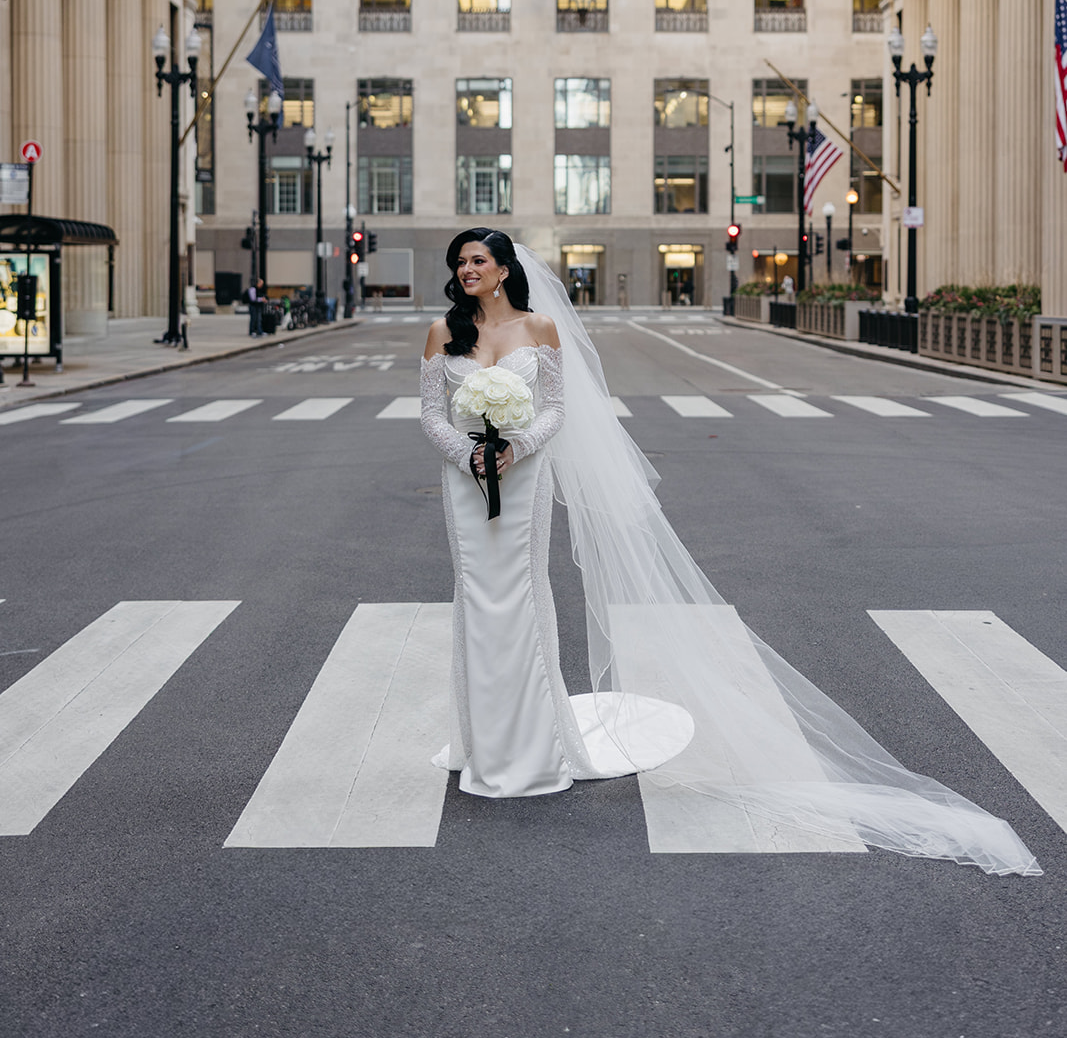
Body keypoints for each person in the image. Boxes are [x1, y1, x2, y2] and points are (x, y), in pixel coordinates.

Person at [421, 229, 1040, 875]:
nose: (466, 269)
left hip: (522, 482)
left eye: (477, 261)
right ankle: (481, 742)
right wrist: (466, 454)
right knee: (475, 596)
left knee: (522, 596)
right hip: (464, 486)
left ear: (502, 270)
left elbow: (554, 411)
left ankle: (527, 746)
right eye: (459, 262)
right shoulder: (443, 334)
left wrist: (513, 449)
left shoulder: (540, 328)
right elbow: (432, 415)